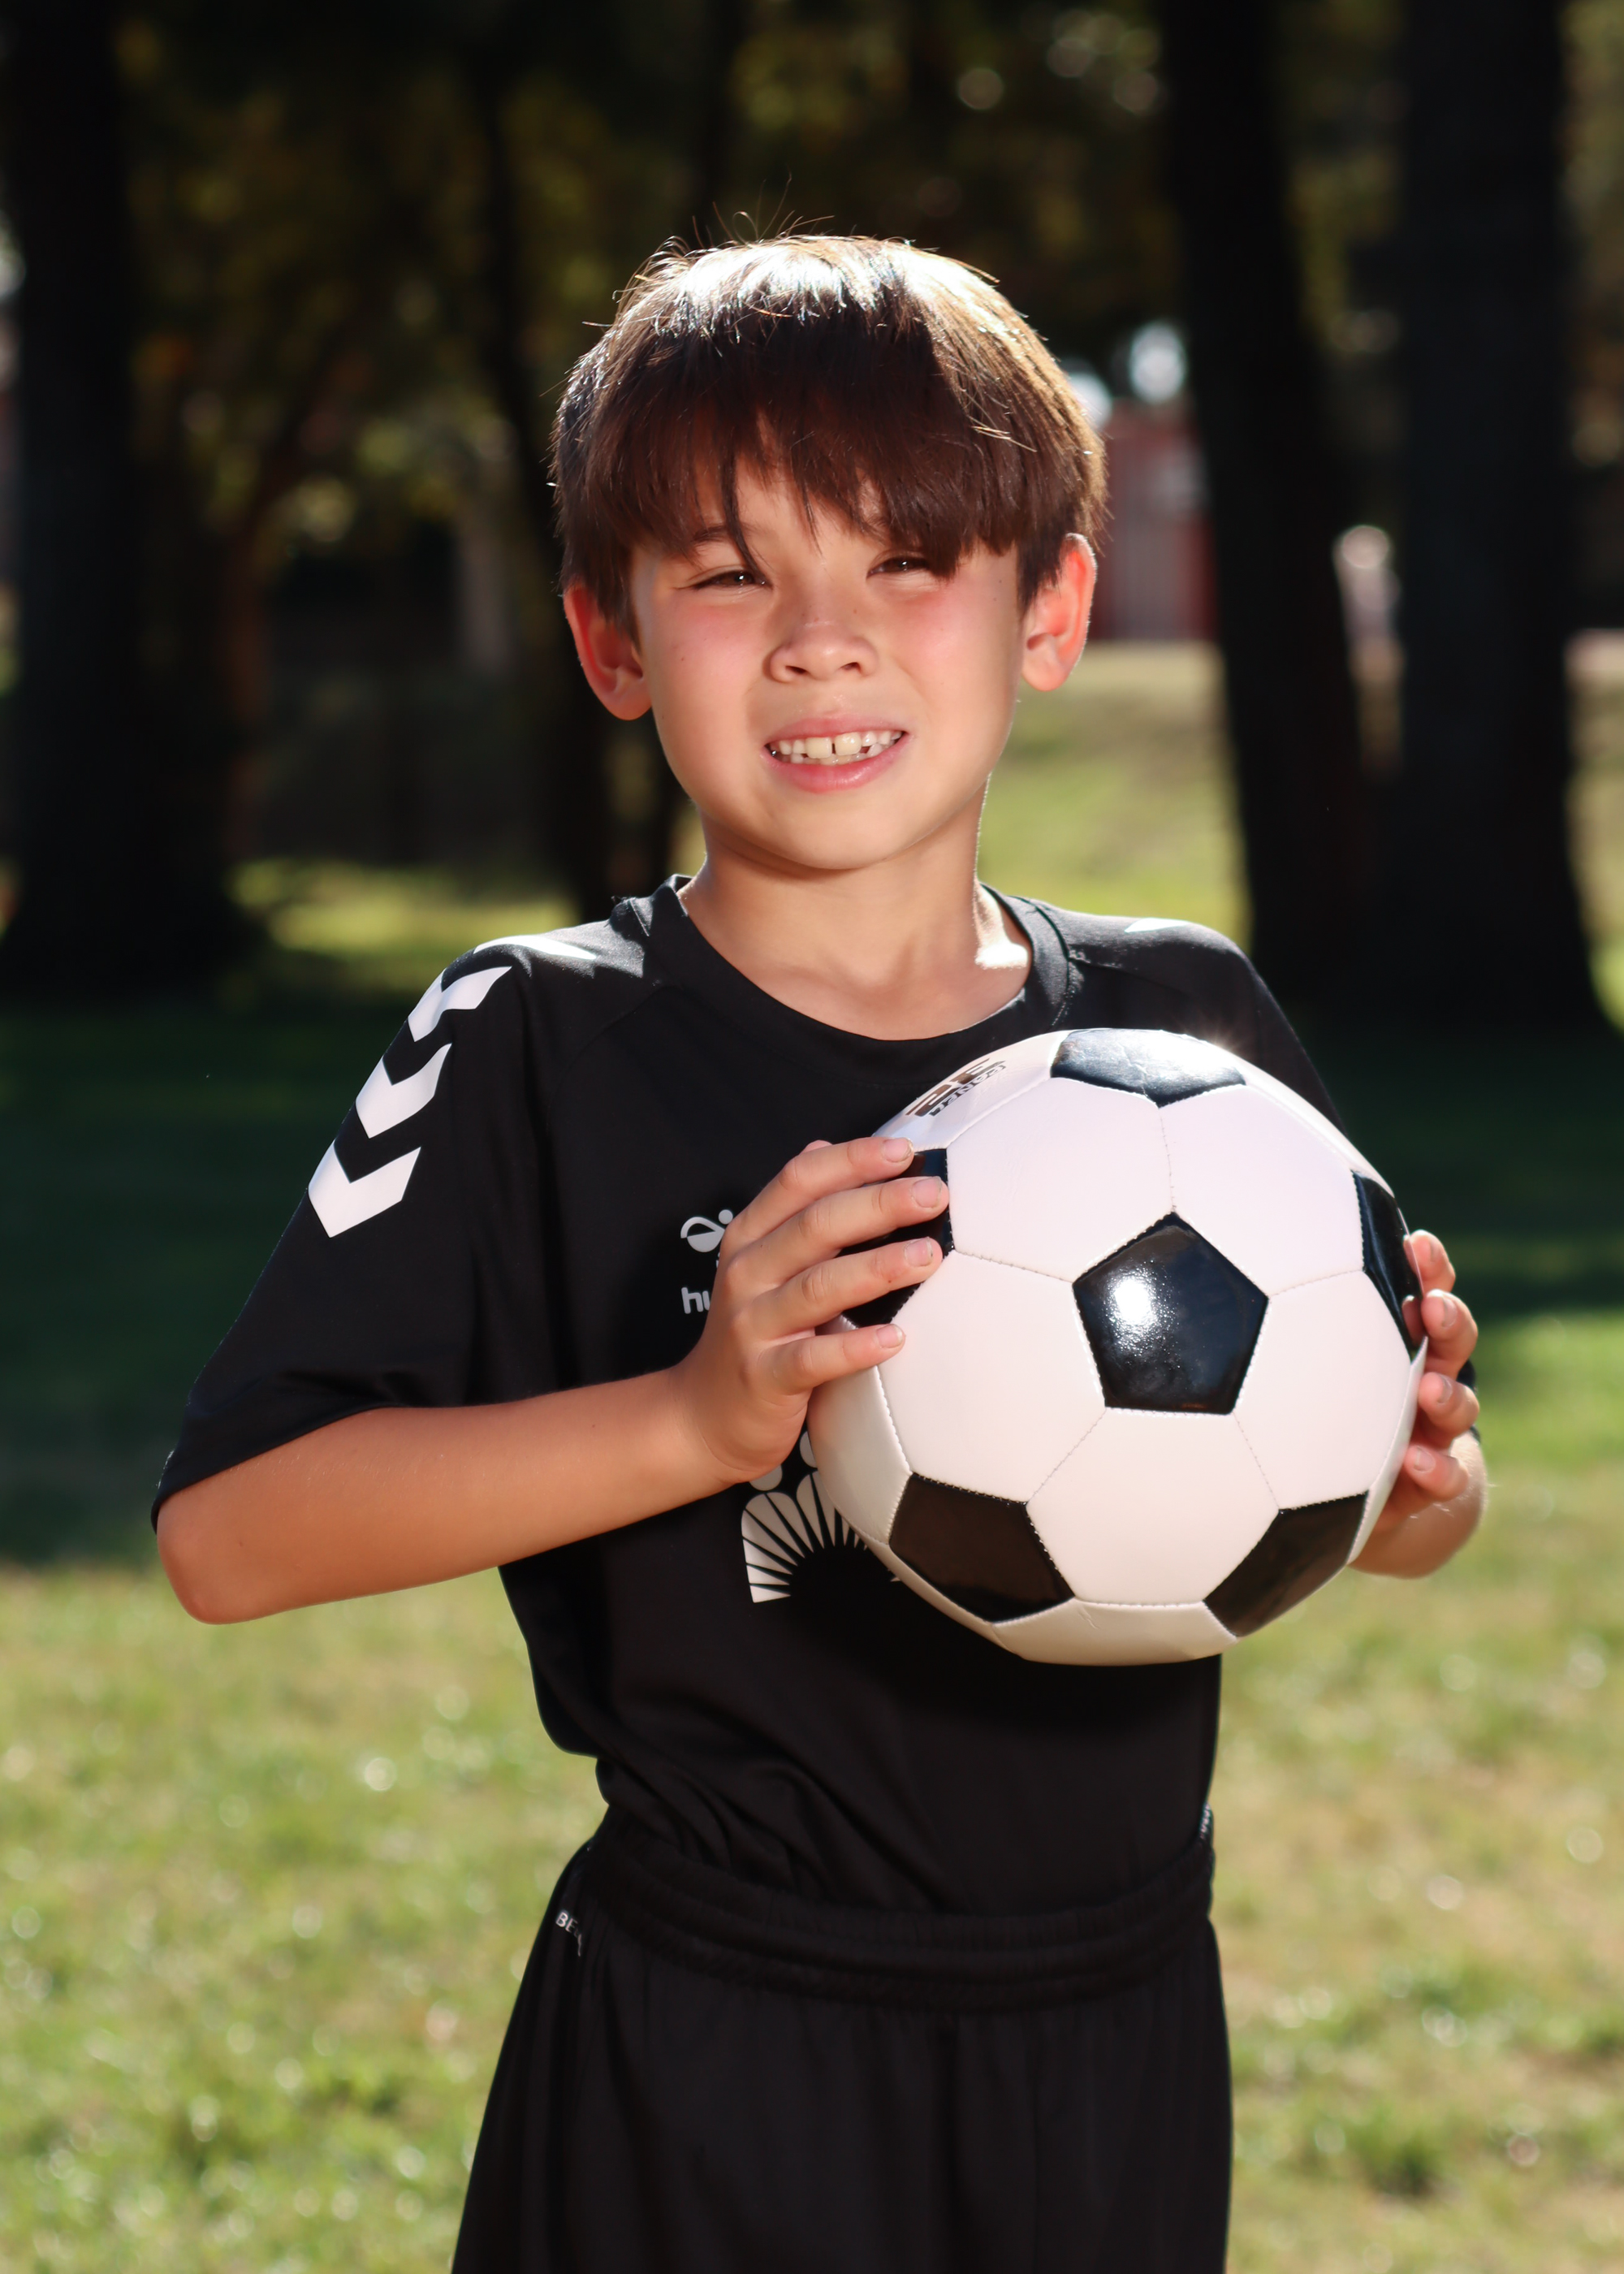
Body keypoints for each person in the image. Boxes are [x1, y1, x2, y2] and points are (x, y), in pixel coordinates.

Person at [154, 236, 1485, 2272]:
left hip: (1120, 2031)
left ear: (1051, 609)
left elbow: (1378, 1516)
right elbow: (230, 1534)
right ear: (609, 637)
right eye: (727, 573)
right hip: (714, 2047)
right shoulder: (533, 1040)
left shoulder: (1189, 1030)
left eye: (907, 560)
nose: (819, 642)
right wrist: (694, 1419)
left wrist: (1407, 1479)